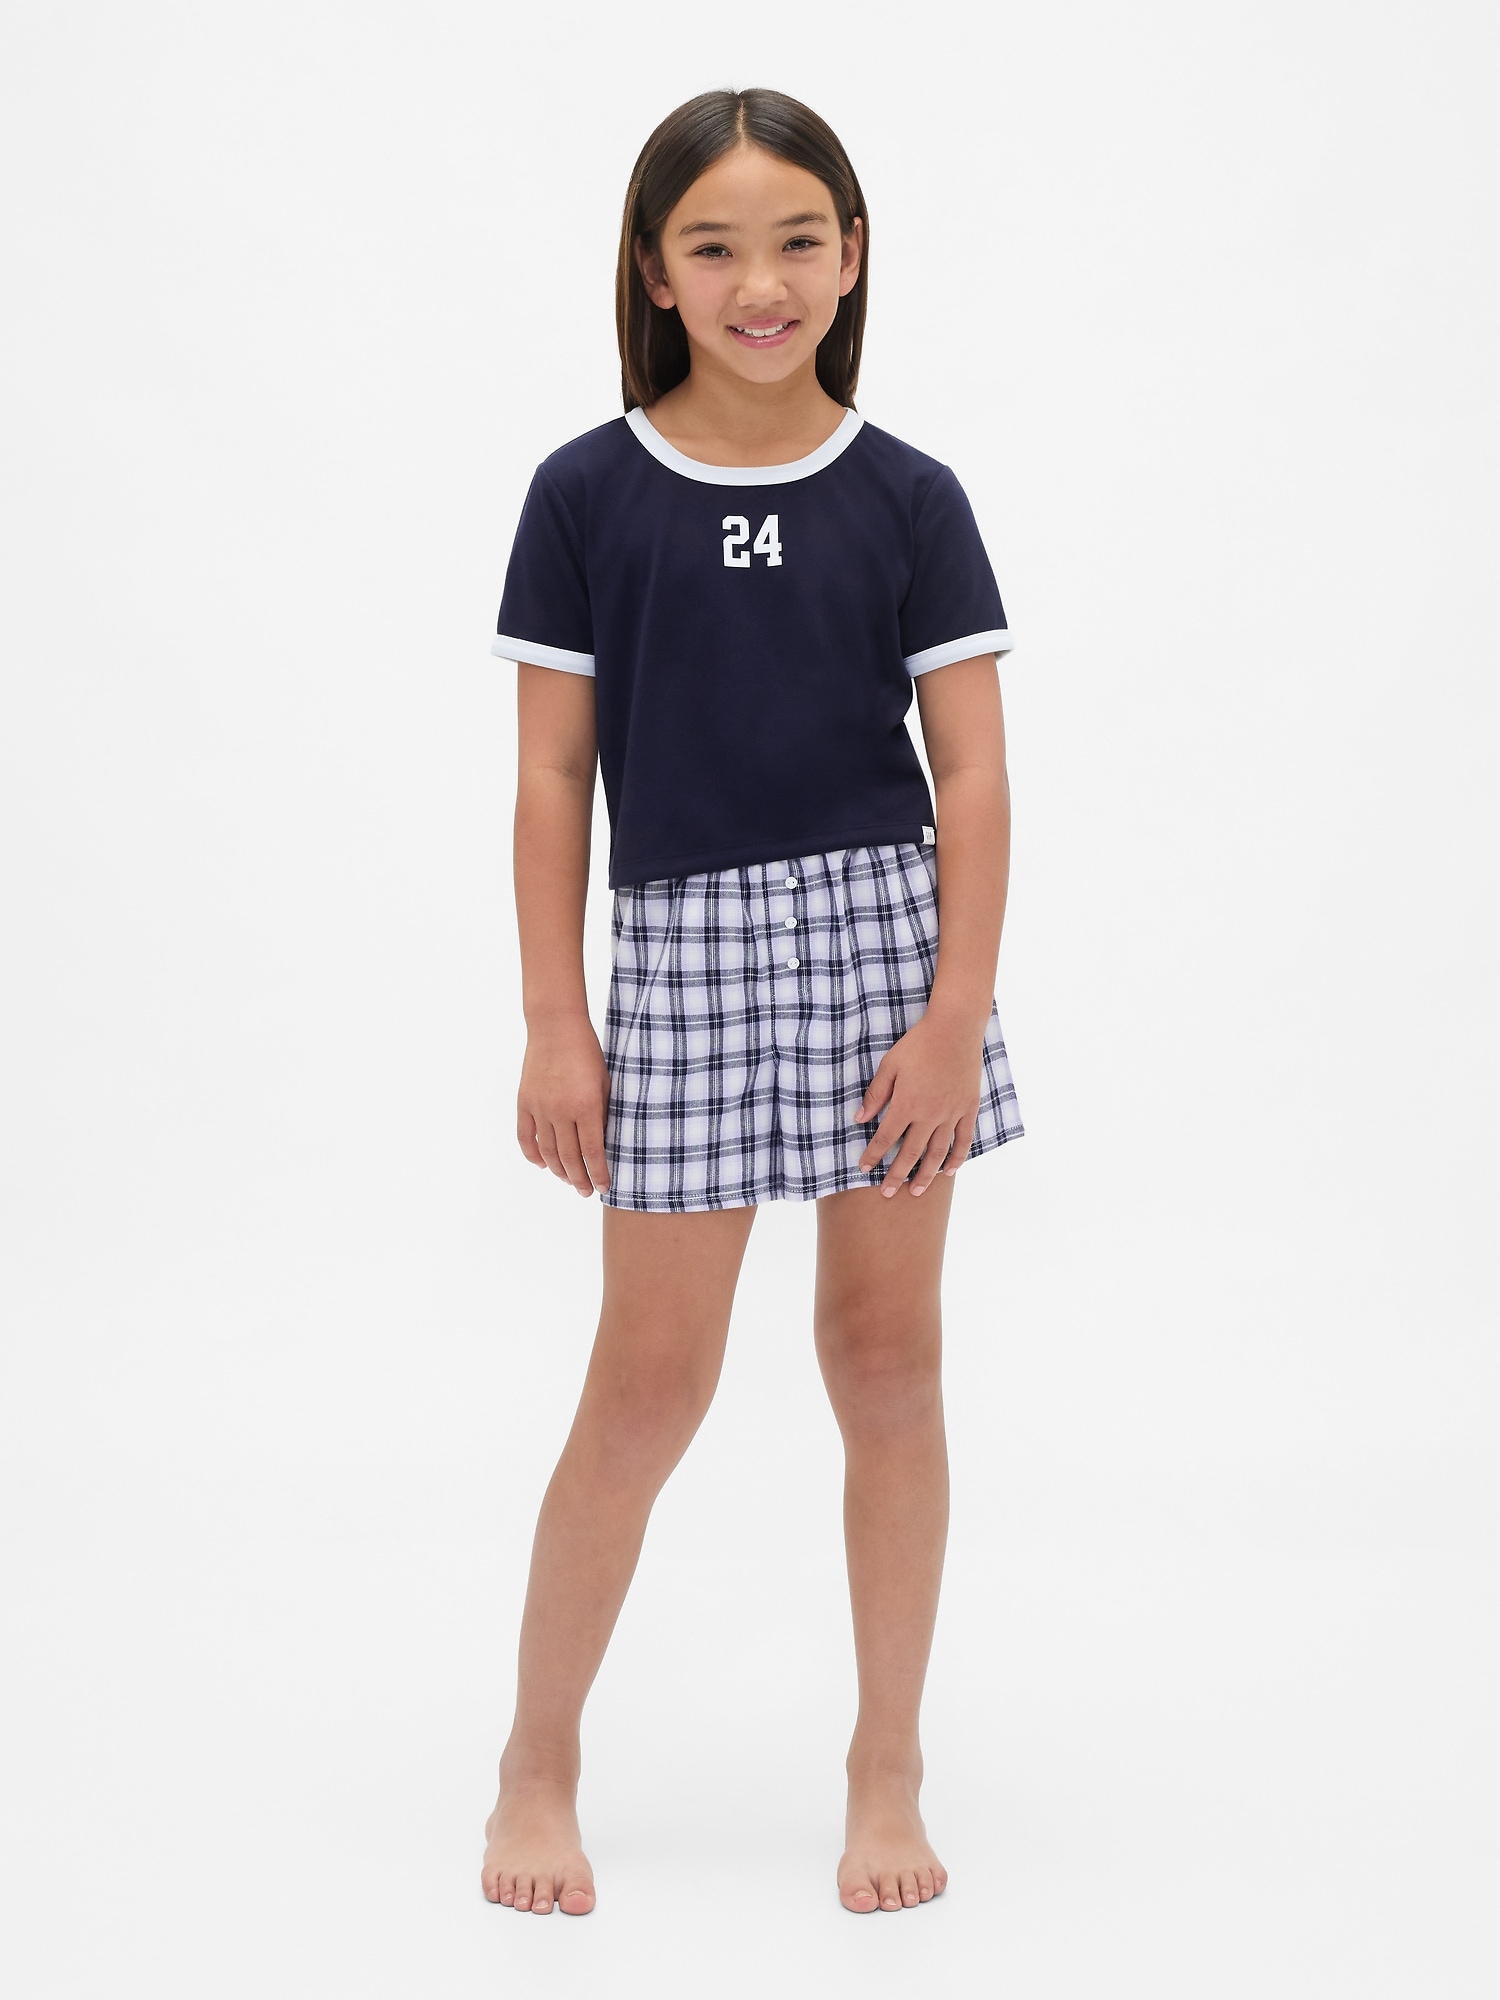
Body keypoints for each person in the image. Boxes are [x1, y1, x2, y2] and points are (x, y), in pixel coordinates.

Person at [480, 86, 1023, 1918]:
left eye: (798, 241)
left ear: (853, 257)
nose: (760, 283)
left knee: (888, 1364)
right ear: (655, 271)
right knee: (648, 1384)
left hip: (884, 949)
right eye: (713, 247)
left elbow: (975, 775)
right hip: (685, 955)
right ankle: (536, 1760)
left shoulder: (910, 497)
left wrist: (953, 1015)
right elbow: (554, 774)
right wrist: (558, 1022)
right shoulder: (585, 493)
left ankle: (888, 1766)